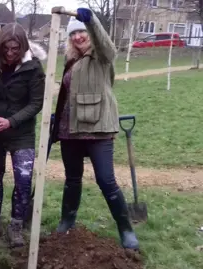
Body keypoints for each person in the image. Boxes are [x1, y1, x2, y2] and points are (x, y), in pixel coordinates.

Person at [50, 8, 140, 250]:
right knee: (72, 179)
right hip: (70, 130)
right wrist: (55, 120)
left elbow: (108, 47)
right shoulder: (71, 60)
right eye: (73, 34)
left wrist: (91, 21)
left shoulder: (102, 56)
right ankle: (67, 220)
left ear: (89, 33)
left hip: (98, 127)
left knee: (105, 180)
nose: (78, 37)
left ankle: (126, 229)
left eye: (81, 32)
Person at [0, 23, 47, 247]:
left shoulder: (33, 68)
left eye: (15, 49)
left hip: (21, 132)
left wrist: (12, 121)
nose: (9, 53)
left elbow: (36, 102)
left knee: (24, 178)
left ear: (23, 47)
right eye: (5, 48)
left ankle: (16, 225)